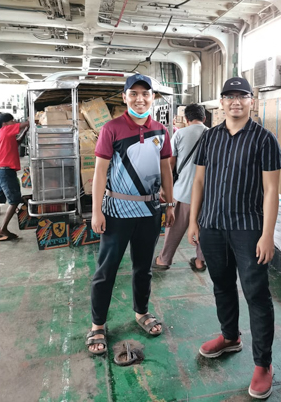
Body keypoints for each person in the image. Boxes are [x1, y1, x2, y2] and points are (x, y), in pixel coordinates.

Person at [188, 77, 281, 400]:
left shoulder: (264, 140)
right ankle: (230, 337)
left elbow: (271, 190)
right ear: (221, 102)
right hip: (212, 225)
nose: (235, 101)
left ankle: (263, 364)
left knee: (256, 293)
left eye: (242, 96)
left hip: (247, 228)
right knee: (222, 285)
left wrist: (267, 234)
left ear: (251, 101)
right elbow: (199, 181)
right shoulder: (210, 137)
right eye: (229, 96)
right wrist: (194, 221)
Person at [87, 74, 175, 355]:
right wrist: (96, 211)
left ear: (153, 97)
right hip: (117, 213)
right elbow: (100, 172)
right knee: (106, 271)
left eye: (145, 94)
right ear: (124, 97)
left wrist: (170, 204)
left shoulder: (161, 130)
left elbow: (166, 171)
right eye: (133, 93)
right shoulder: (111, 129)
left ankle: (142, 312)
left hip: (149, 212)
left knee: (143, 268)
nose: (140, 98)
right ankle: (97, 324)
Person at [153, 104, 207, 272]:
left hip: (183, 192)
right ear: (204, 118)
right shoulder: (213, 134)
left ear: (186, 119)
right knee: (203, 230)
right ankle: (200, 261)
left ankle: (164, 260)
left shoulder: (179, 134)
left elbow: (170, 163)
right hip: (207, 195)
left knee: (174, 228)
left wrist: (164, 187)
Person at [0, 113, 29, 241]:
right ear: (5, 123)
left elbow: (17, 142)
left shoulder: (1, 134)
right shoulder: (6, 129)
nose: (14, 122)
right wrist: (30, 121)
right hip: (7, 171)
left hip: (0, 170)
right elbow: (25, 123)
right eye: (11, 120)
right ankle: (3, 228)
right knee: (14, 200)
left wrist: (25, 131)